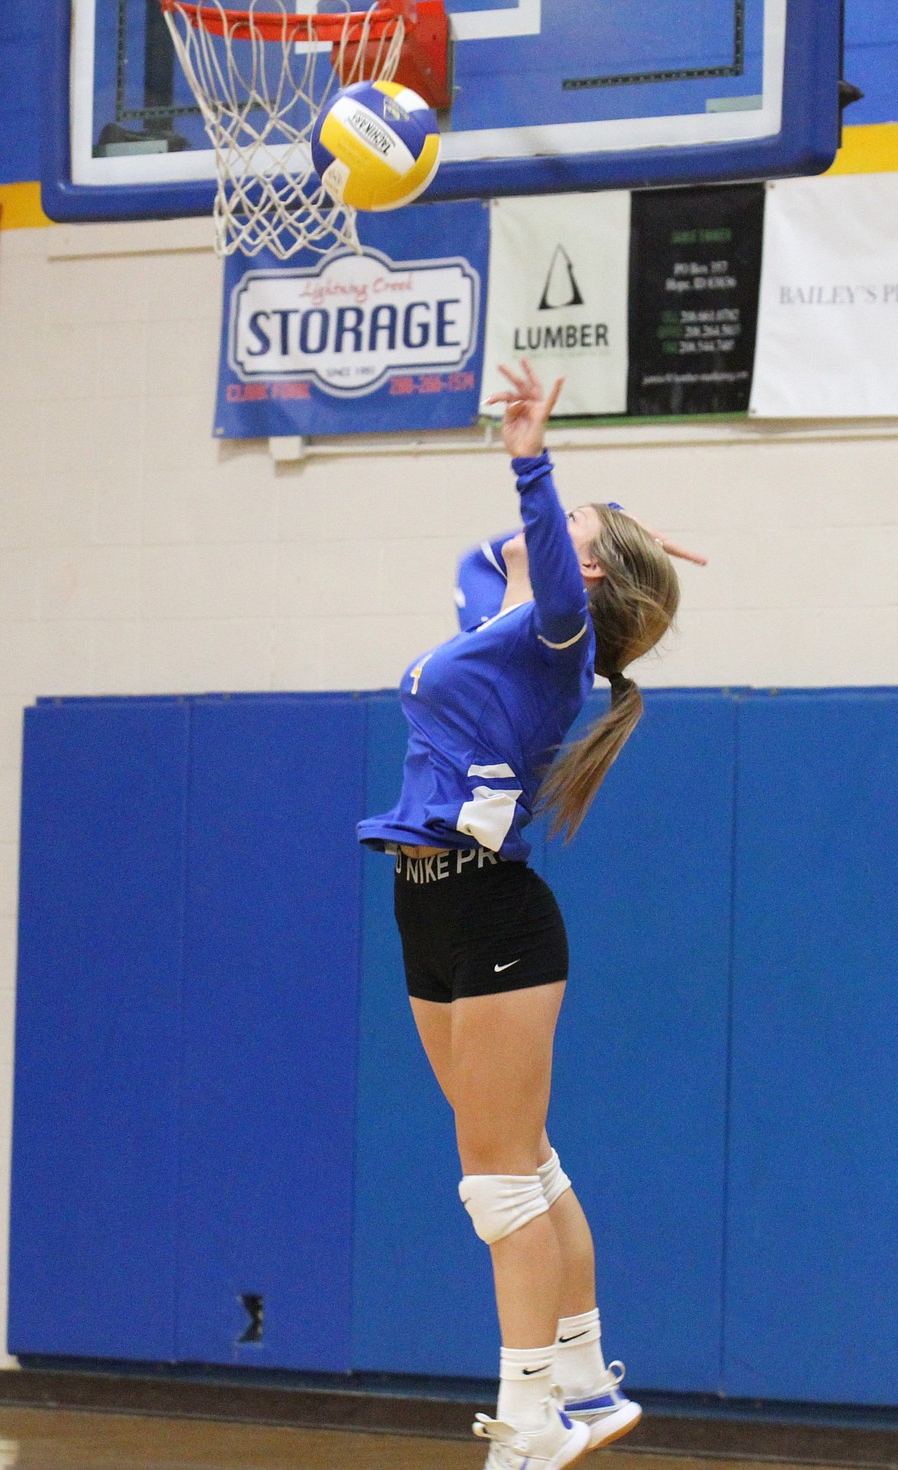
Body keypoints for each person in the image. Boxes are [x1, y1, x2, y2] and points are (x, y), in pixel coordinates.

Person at [357, 360, 705, 1470]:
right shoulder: (501, 615)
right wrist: (609, 535)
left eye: (571, 526)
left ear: (580, 564)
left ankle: (529, 1421)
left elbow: (557, 576)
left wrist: (534, 457)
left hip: (496, 916)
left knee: (496, 1185)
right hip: (426, 910)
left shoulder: (558, 638)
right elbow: (499, 558)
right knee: (524, 1162)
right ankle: (591, 1384)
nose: (551, 525)